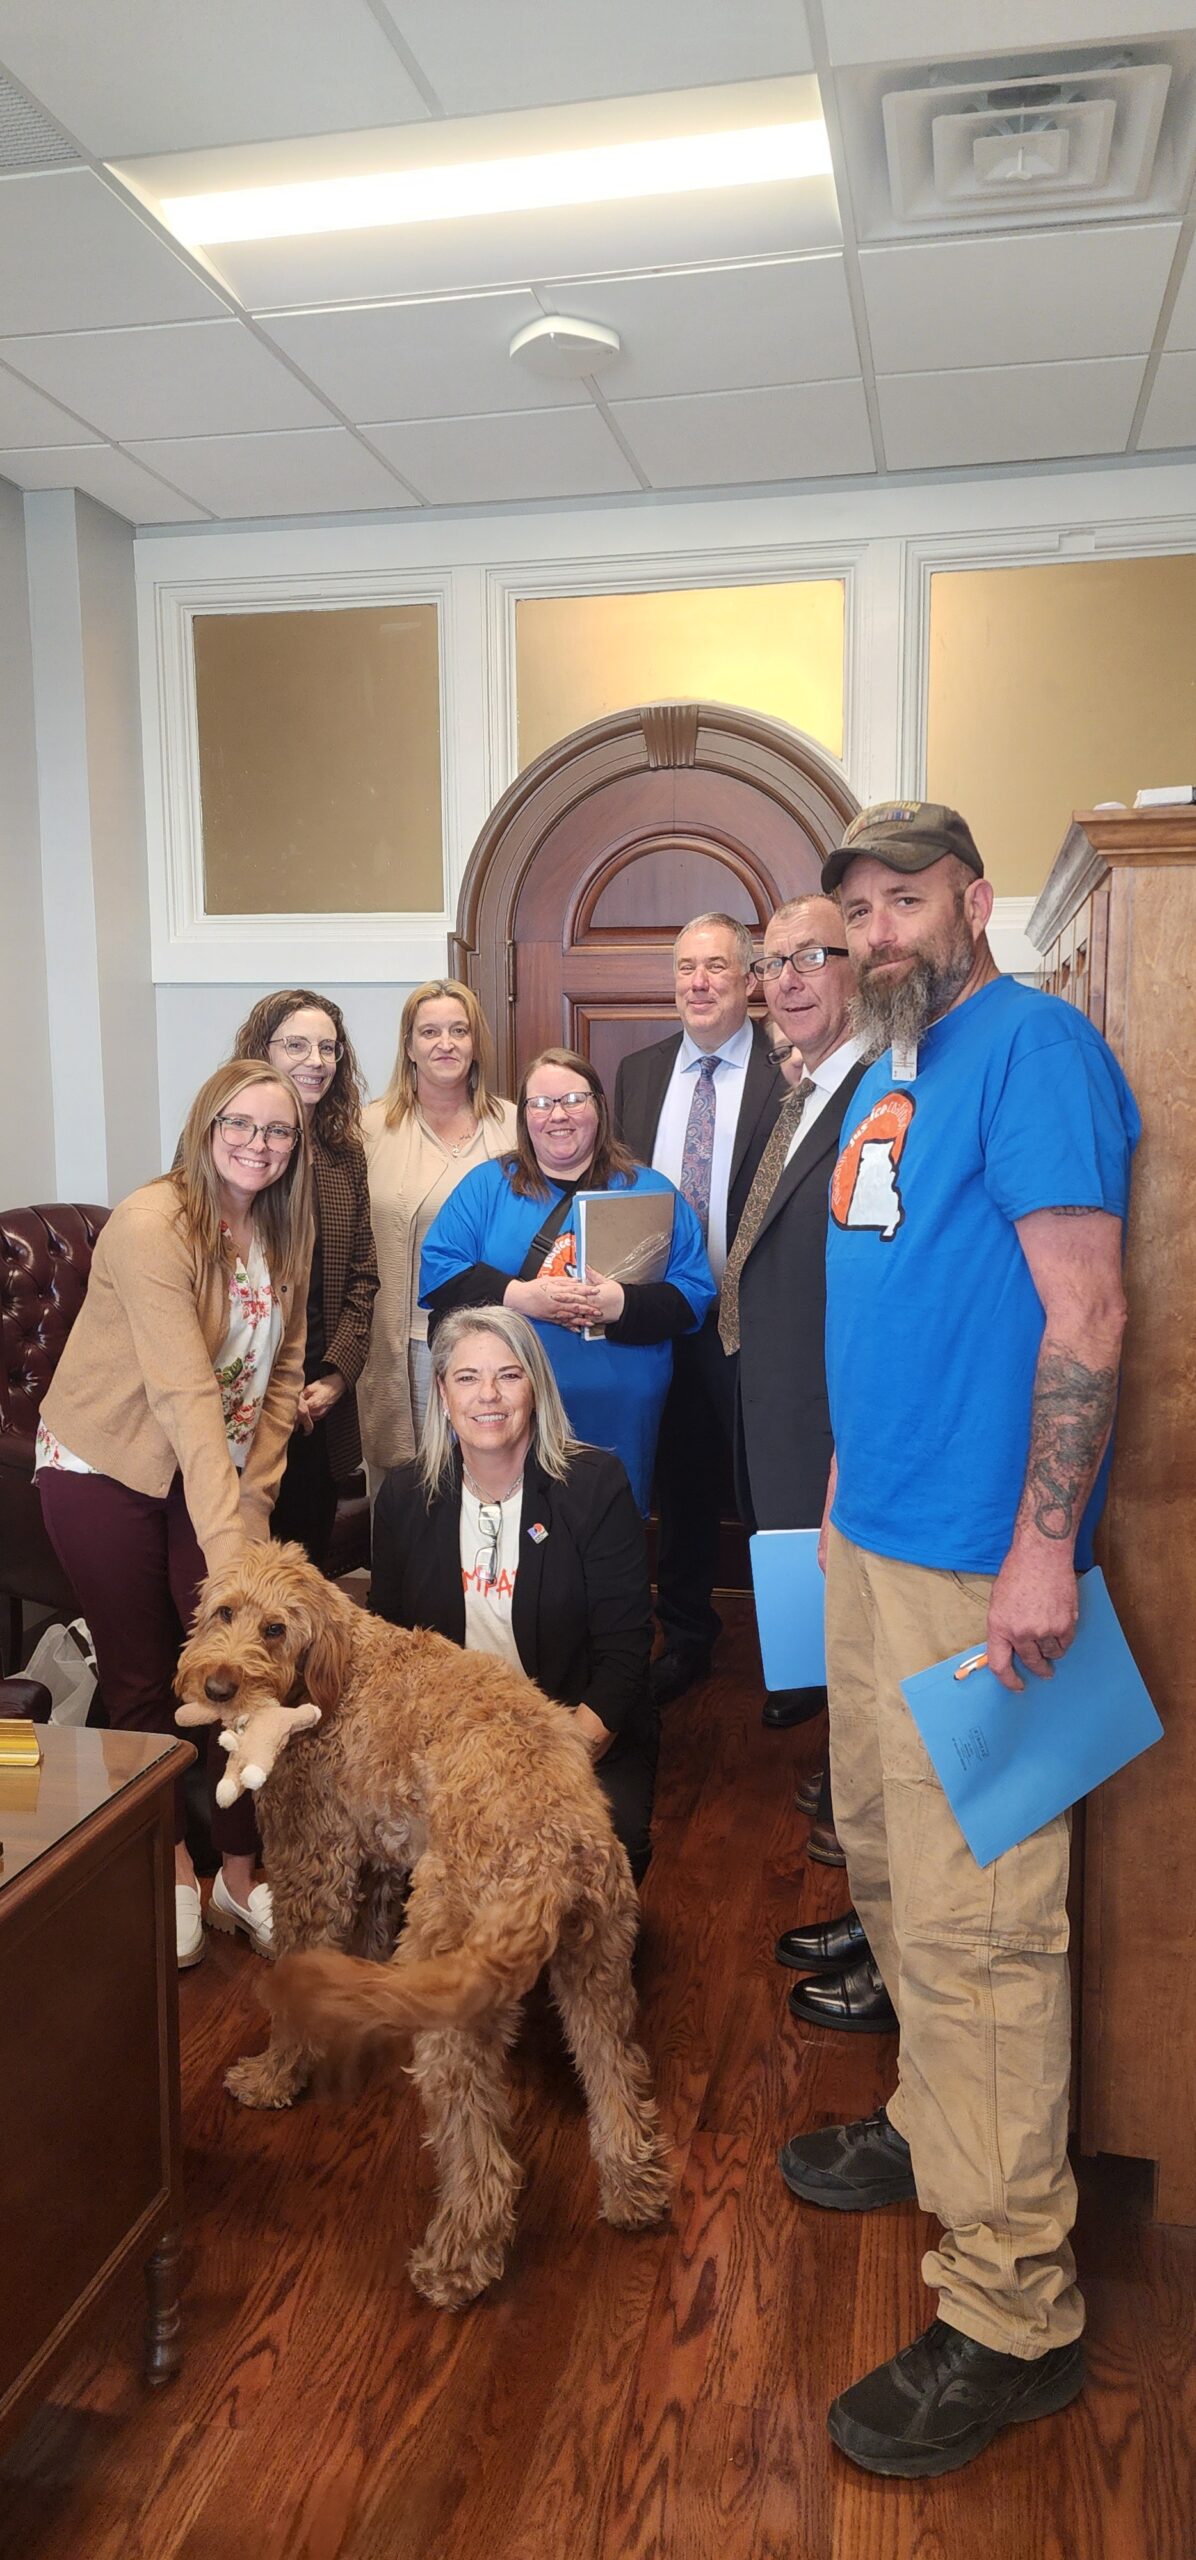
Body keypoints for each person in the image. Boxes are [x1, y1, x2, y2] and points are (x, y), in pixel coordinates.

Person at [777, 801, 1140, 2479]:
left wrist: (1044, 1551)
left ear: (971, 902)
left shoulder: (1034, 1048)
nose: (878, 931)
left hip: (980, 1571)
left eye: (903, 900)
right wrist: (849, 1479)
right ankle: (932, 2130)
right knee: (884, 1862)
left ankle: (1014, 2312)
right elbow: (894, 1287)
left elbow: (1085, 1310)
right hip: (872, 1538)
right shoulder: (886, 1071)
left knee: (986, 1930)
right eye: (857, 908)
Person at [36, 1059, 313, 1969]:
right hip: (107, 1462)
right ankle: (170, 1873)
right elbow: (187, 1394)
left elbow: (278, 1385)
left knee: (238, 1684)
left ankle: (239, 1876)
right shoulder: (154, 1224)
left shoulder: (286, 1221)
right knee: (147, 1677)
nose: (257, 1146)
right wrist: (236, 1567)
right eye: (239, 1125)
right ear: (204, 1126)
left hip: (215, 1474)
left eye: (277, 1132)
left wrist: (251, 1514)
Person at [715, 897, 889, 2029]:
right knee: (841, 1685)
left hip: (837, 1437)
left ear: (858, 968)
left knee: (872, 1694)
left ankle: (886, 1937)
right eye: (770, 963)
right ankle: (872, 1906)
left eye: (807, 958)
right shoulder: (807, 1082)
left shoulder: (879, 1089)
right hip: (780, 1414)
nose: (784, 979)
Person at [371, 1306, 659, 1879]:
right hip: (447, 1743)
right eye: (467, 1378)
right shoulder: (405, 1497)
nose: (489, 1396)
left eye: (508, 1374)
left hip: (573, 1735)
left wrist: (547, 1765)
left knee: (588, 1859)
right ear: (443, 1395)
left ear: (536, 1387)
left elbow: (626, 1652)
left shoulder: (594, 1486)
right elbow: (390, 1651)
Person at [420, 1047, 714, 1515]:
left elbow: (692, 1297)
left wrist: (618, 1303)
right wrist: (522, 1298)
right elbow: (440, 1273)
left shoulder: (650, 1190)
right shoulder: (486, 1186)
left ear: (598, 1106)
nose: (557, 1115)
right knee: (511, 1530)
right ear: (525, 1117)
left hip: (619, 1413)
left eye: (573, 1099)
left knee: (608, 1536)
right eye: (540, 1103)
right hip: (509, 1408)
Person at [613, 912, 783, 1705]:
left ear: (750, 980)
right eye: (686, 968)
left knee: (769, 1486)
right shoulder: (639, 1072)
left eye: (716, 967)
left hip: (759, 1319)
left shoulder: (790, 1072)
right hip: (664, 1314)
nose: (699, 982)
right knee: (678, 1484)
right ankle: (684, 1638)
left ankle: (795, 1661)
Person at [232, 990, 378, 1568]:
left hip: (318, 1404)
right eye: (296, 1044)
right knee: (237, 1577)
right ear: (262, 1051)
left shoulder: (344, 1157)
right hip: (245, 1398)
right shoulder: (230, 1146)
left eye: (327, 1047)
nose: (315, 1059)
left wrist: (337, 1376)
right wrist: (273, 1389)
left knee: (304, 1577)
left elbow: (365, 1278)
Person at [357, 979, 516, 1498]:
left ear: (476, 1043)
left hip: (497, 1342)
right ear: (408, 1046)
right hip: (402, 1343)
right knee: (405, 1491)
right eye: (429, 1032)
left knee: (491, 1478)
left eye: (458, 1030)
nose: (444, 1043)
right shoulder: (367, 1128)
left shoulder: (517, 1126)